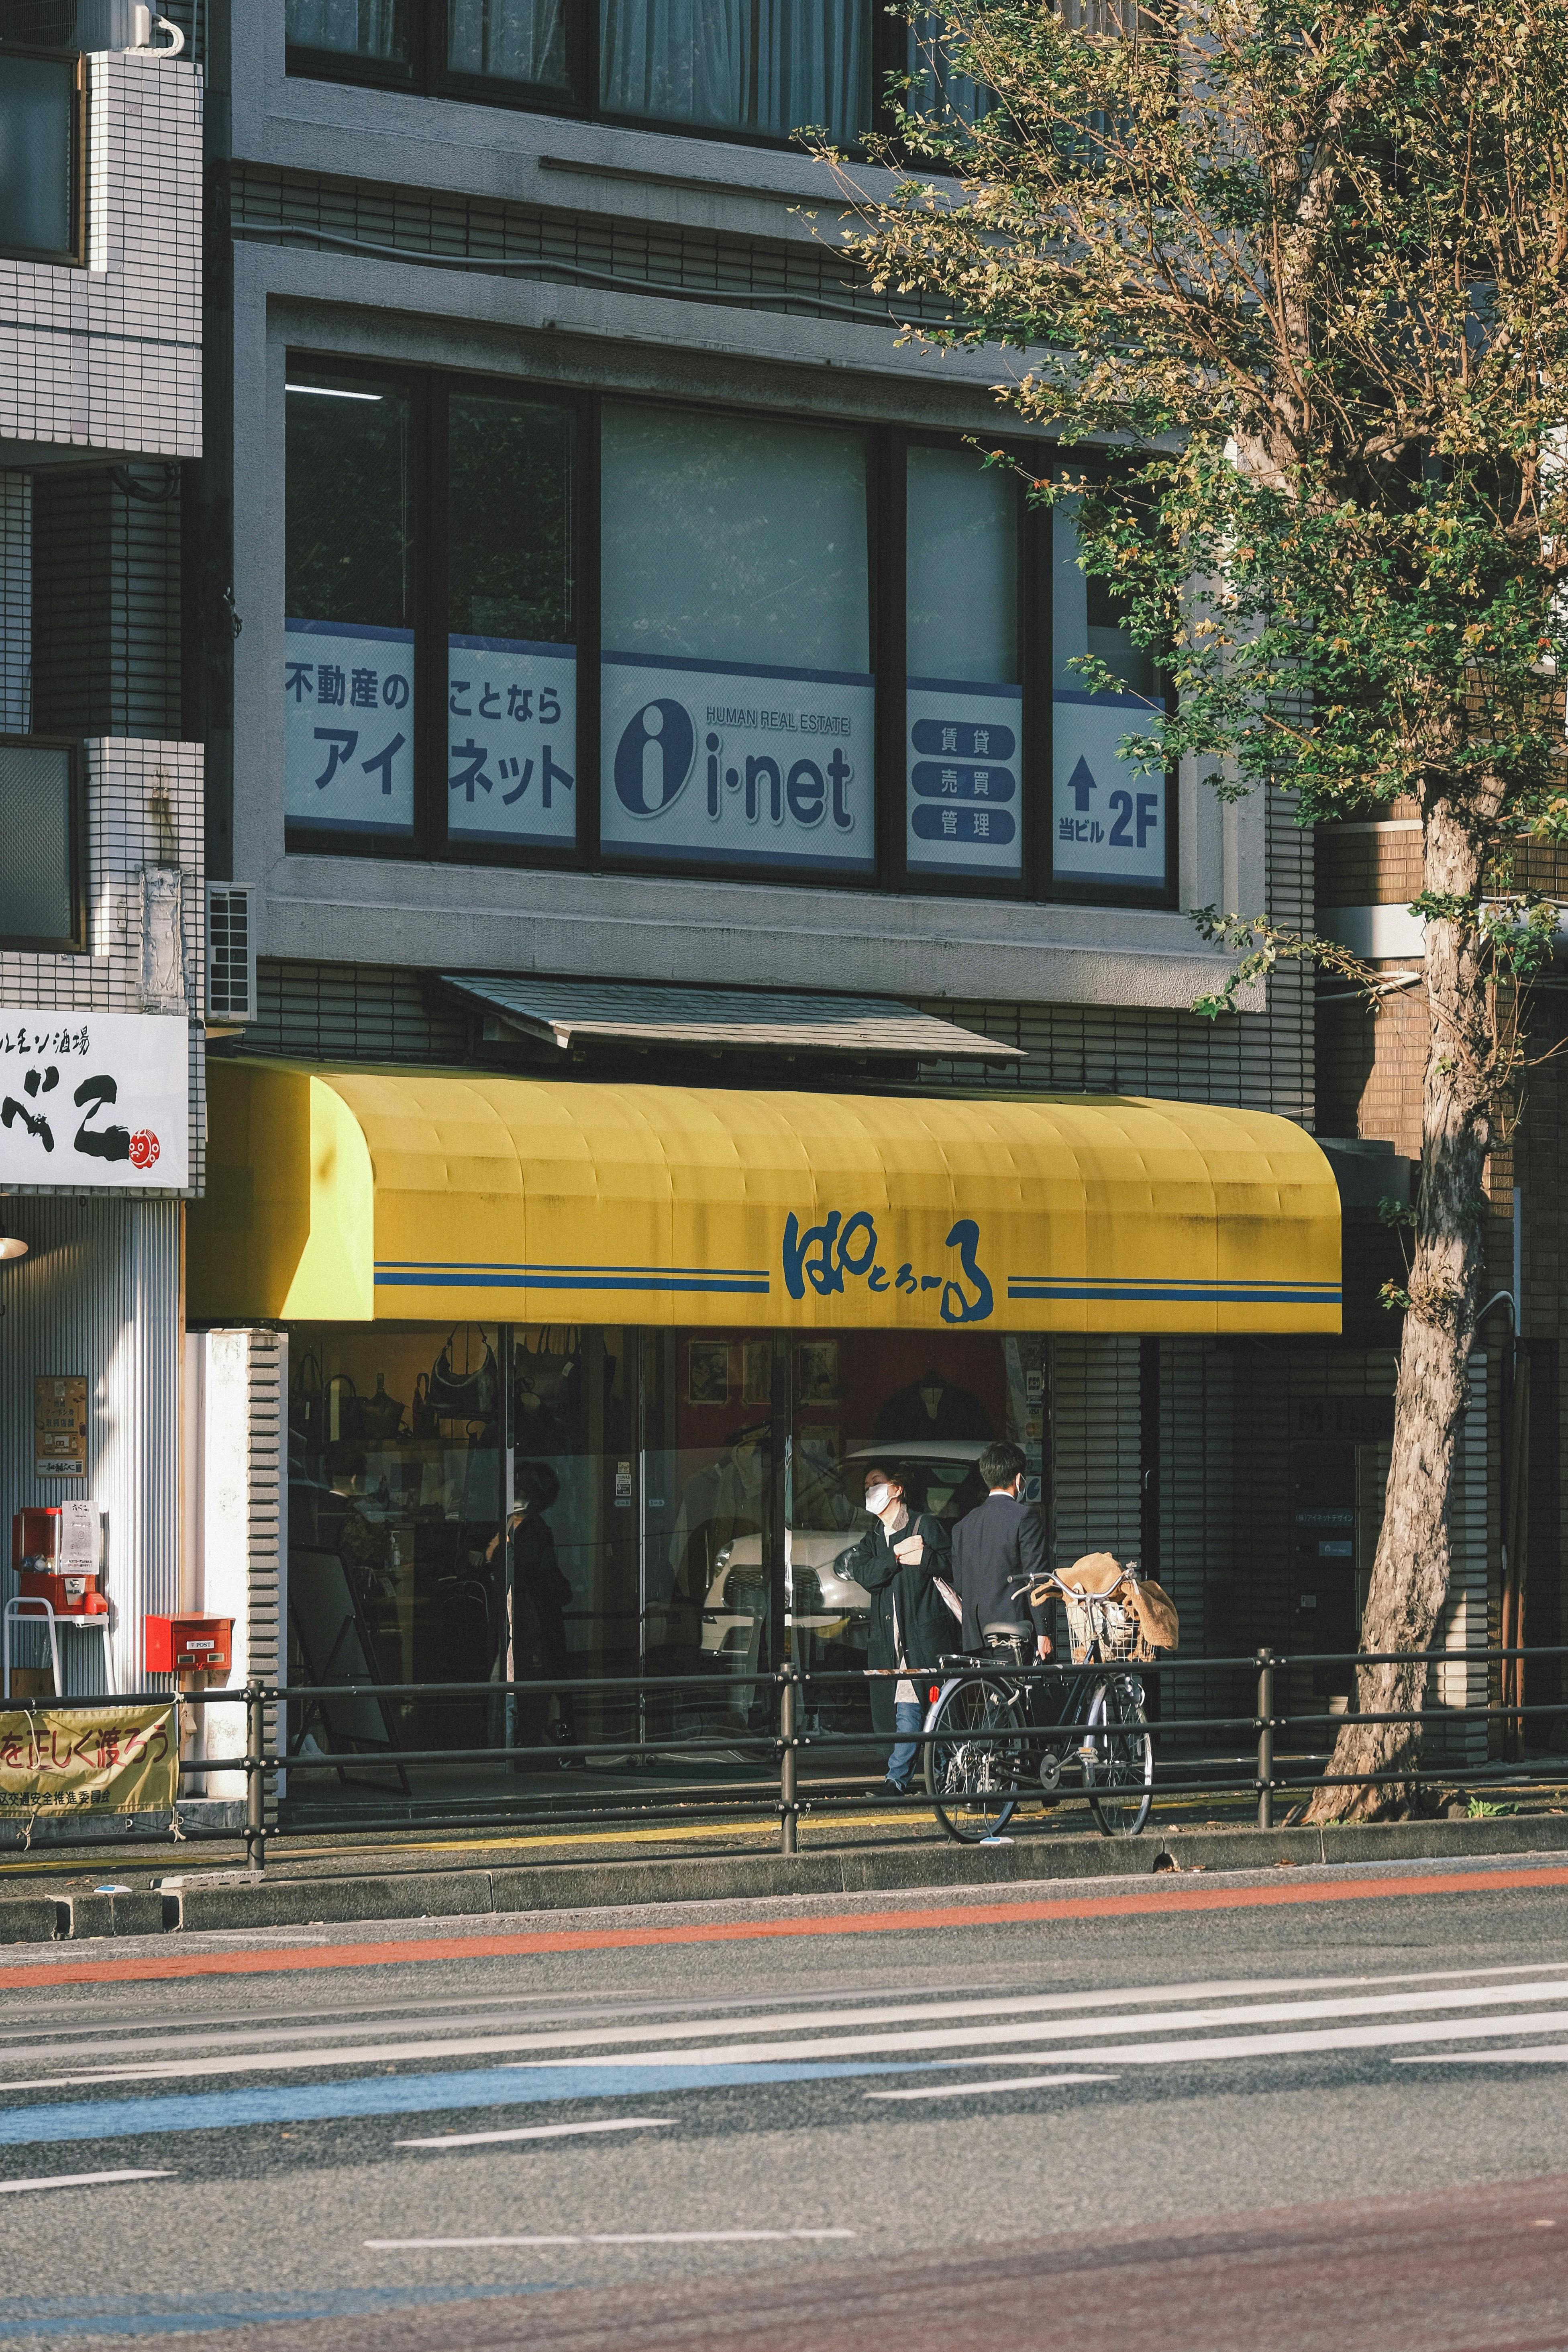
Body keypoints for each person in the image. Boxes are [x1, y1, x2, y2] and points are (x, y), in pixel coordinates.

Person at [831, 1462, 953, 1794]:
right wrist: (896, 1556)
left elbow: (953, 1565)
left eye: (876, 1483)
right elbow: (867, 1576)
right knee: (907, 1708)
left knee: (930, 1708)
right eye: (866, 1486)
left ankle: (913, 1776)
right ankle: (911, 1777)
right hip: (891, 1642)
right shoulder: (872, 1539)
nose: (869, 1491)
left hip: (925, 1636)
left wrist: (924, 1557)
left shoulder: (923, 1524)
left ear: (896, 1489)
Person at [487, 1461, 581, 1767]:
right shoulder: (516, 1525)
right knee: (517, 1685)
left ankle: (531, 1751)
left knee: (527, 1687)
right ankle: (526, 1749)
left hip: (532, 1623)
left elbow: (523, 1569)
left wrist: (498, 1551)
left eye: (521, 1489)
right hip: (522, 1620)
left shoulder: (533, 1529)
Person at [949, 1440, 1052, 1660]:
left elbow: (959, 1582)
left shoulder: (963, 1526)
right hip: (1013, 1632)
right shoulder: (1024, 1517)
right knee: (1021, 1691)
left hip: (975, 1635)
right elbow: (1037, 1579)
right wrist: (1044, 1631)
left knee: (990, 1692)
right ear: (1018, 1479)